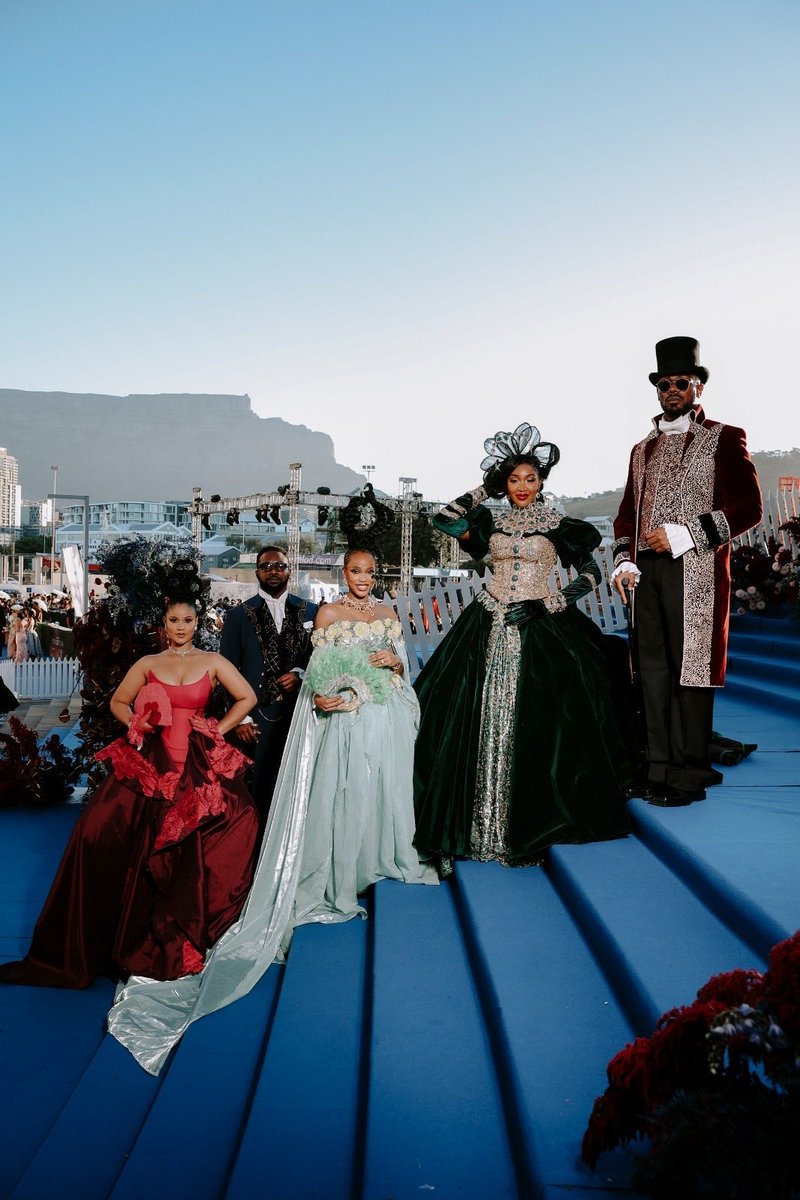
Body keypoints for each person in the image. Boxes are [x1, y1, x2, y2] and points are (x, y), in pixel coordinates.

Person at [104, 545, 436, 1075]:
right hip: (274, 718)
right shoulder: (246, 616)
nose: (362, 578)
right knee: (266, 799)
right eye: (354, 570)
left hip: (369, 713)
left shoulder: (326, 608)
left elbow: (352, 664)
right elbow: (239, 669)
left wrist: (386, 665)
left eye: (369, 571)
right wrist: (249, 715)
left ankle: (372, 857)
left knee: (375, 791)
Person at [0, 592, 260, 989]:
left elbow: (248, 697)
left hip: (196, 764)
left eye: (187, 620)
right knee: (102, 834)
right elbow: (118, 703)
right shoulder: (148, 663)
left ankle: (184, 928)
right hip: (151, 765)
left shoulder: (213, 661)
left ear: (197, 622)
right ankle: (123, 935)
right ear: (164, 624)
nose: (181, 627)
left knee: (228, 826)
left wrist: (216, 731)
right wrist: (138, 724)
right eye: (174, 620)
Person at [413, 424, 631, 875]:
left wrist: (549, 603)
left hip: (539, 622)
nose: (522, 488)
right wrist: (484, 488)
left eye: (530, 479)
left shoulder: (561, 526)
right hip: (485, 618)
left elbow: (590, 573)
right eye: (513, 480)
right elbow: (444, 518)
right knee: (463, 717)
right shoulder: (491, 521)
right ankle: (465, 826)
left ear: (542, 481)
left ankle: (524, 823)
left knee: (543, 726)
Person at [612, 336, 762, 806]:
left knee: (689, 671)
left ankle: (689, 772)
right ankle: (657, 769)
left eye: (681, 382)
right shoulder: (641, 449)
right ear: (657, 390)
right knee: (651, 671)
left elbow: (749, 508)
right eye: (664, 384)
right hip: (647, 576)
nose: (671, 390)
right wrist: (624, 559)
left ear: (698, 386)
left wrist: (686, 533)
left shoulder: (725, 436)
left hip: (695, 571)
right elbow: (626, 515)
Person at [219, 545, 317, 815]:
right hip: (255, 720)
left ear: (289, 571)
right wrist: (241, 718)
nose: (273, 571)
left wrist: (300, 675)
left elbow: (319, 659)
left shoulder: (311, 611)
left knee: (297, 786)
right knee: (256, 790)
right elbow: (227, 668)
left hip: (299, 715)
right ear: (257, 572)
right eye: (267, 567)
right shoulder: (238, 616)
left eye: (280, 566)